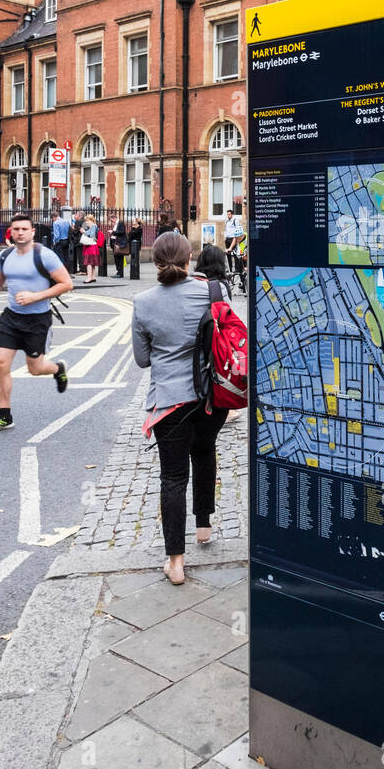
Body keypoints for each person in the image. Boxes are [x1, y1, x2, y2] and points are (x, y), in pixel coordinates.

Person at [132, 232, 229, 585]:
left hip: (169, 403)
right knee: (205, 453)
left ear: (155, 262)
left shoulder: (142, 302)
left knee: (173, 477)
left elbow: (143, 360)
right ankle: (203, 525)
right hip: (210, 398)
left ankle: (175, 562)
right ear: (189, 259)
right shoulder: (212, 293)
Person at [0, 213, 72, 433]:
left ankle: (58, 368)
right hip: (11, 317)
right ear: (12, 231)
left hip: (37, 319)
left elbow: (66, 284)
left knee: (35, 369)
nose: (20, 232)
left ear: (32, 232)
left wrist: (35, 296)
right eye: (16, 229)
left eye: (24, 229)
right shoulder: (5, 255)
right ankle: (4, 415)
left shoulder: (45, 256)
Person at [224, 209, 245, 285]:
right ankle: (230, 267)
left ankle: (236, 268)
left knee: (236, 253)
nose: (228, 215)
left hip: (234, 238)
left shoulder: (235, 220)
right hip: (228, 238)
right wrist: (225, 237)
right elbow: (226, 229)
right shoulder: (226, 221)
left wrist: (236, 238)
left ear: (232, 214)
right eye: (227, 214)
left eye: (229, 214)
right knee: (228, 253)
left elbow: (237, 230)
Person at [80, 213, 100, 285]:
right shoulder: (93, 226)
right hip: (92, 246)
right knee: (92, 263)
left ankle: (89, 278)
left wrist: (84, 232)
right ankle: (93, 277)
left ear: (90, 220)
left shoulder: (93, 226)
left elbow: (91, 235)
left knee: (89, 263)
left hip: (91, 247)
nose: (86, 222)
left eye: (87, 221)